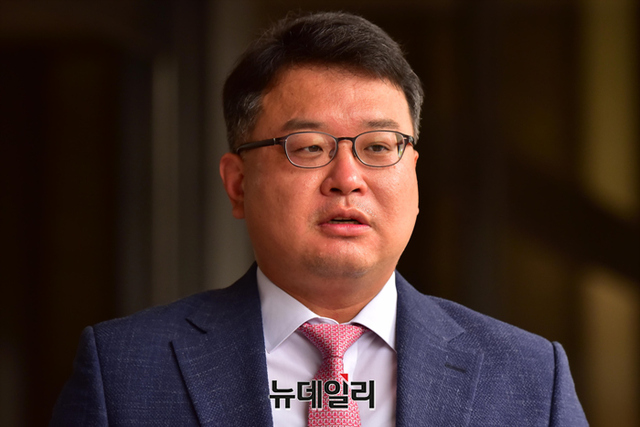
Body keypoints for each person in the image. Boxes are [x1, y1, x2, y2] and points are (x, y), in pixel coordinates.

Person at [50, 11, 588, 427]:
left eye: (379, 147)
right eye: (308, 147)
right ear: (238, 184)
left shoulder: (529, 376)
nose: (347, 178)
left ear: (414, 176)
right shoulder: (123, 373)